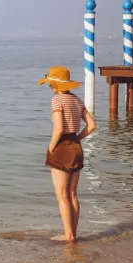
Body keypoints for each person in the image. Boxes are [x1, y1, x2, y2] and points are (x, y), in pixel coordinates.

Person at [38, 66, 97, 242]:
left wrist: (50, 148)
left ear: (56, 85)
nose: (50, 87)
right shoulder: (77, 100)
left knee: (62, 196)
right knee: (72, 194)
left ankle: (68, 235)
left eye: (50, 84)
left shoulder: (57, 100)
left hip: (62, 147)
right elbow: (92, 125)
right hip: (76, 147)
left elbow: (59, 129)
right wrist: (77, 138)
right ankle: (74, 233)